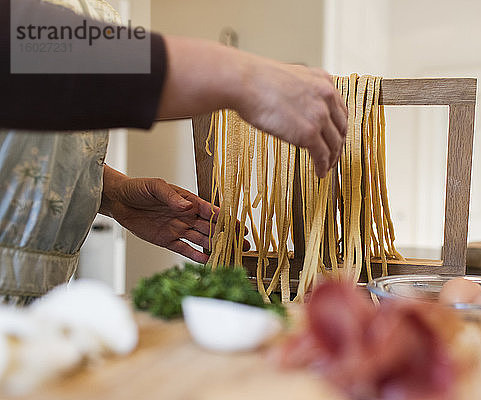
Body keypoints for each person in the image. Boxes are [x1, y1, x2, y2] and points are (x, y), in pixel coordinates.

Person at [0, 0, 347, 304]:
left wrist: (108, 193)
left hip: (38, 308)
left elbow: (31, 118)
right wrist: (243, 76)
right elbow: (30, 46)